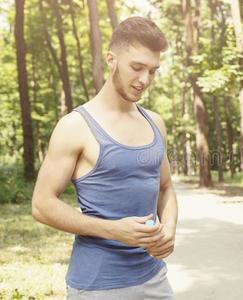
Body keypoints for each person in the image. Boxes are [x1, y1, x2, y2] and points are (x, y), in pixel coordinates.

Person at [31, 17, 177, 300]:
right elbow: (41, 205)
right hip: (97, 286)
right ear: (112, 59)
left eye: (153, 71)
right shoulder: (76, 126)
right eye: (136, 67)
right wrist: (113, 230)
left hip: (154, 279)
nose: (144, 80)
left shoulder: (155, 123)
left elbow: (165, 187)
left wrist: (169, 227)